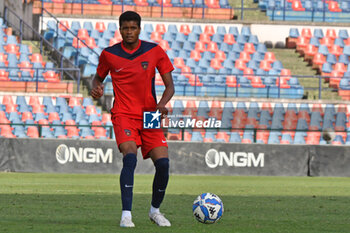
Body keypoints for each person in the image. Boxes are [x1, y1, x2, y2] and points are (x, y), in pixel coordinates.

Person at [90, 11, 174, 228]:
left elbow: (170, 86)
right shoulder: (109, 54)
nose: (129, 32)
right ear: (120, 30)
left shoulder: (154, 51)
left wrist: (162, 104)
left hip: (151, 114)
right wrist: (95, 88)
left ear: (139, 29)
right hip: (124, 114)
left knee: (163, 164)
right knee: (130, 157)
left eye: (133, 28)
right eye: (125, 28)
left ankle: (155, 211)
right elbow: (97, 78)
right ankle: (126, 215)